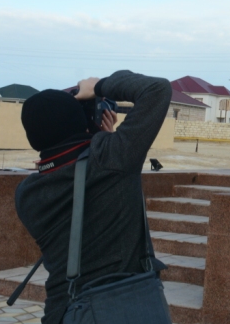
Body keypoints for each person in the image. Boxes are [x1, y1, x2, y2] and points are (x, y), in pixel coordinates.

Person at [15, 71, 172, 324]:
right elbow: (157, 89)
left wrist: (97, 140)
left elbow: (75, 176)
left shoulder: (25, 194)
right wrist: (98, 86)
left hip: (64, 310)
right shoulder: (110, 158)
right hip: (127, 306)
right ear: (80, 122)